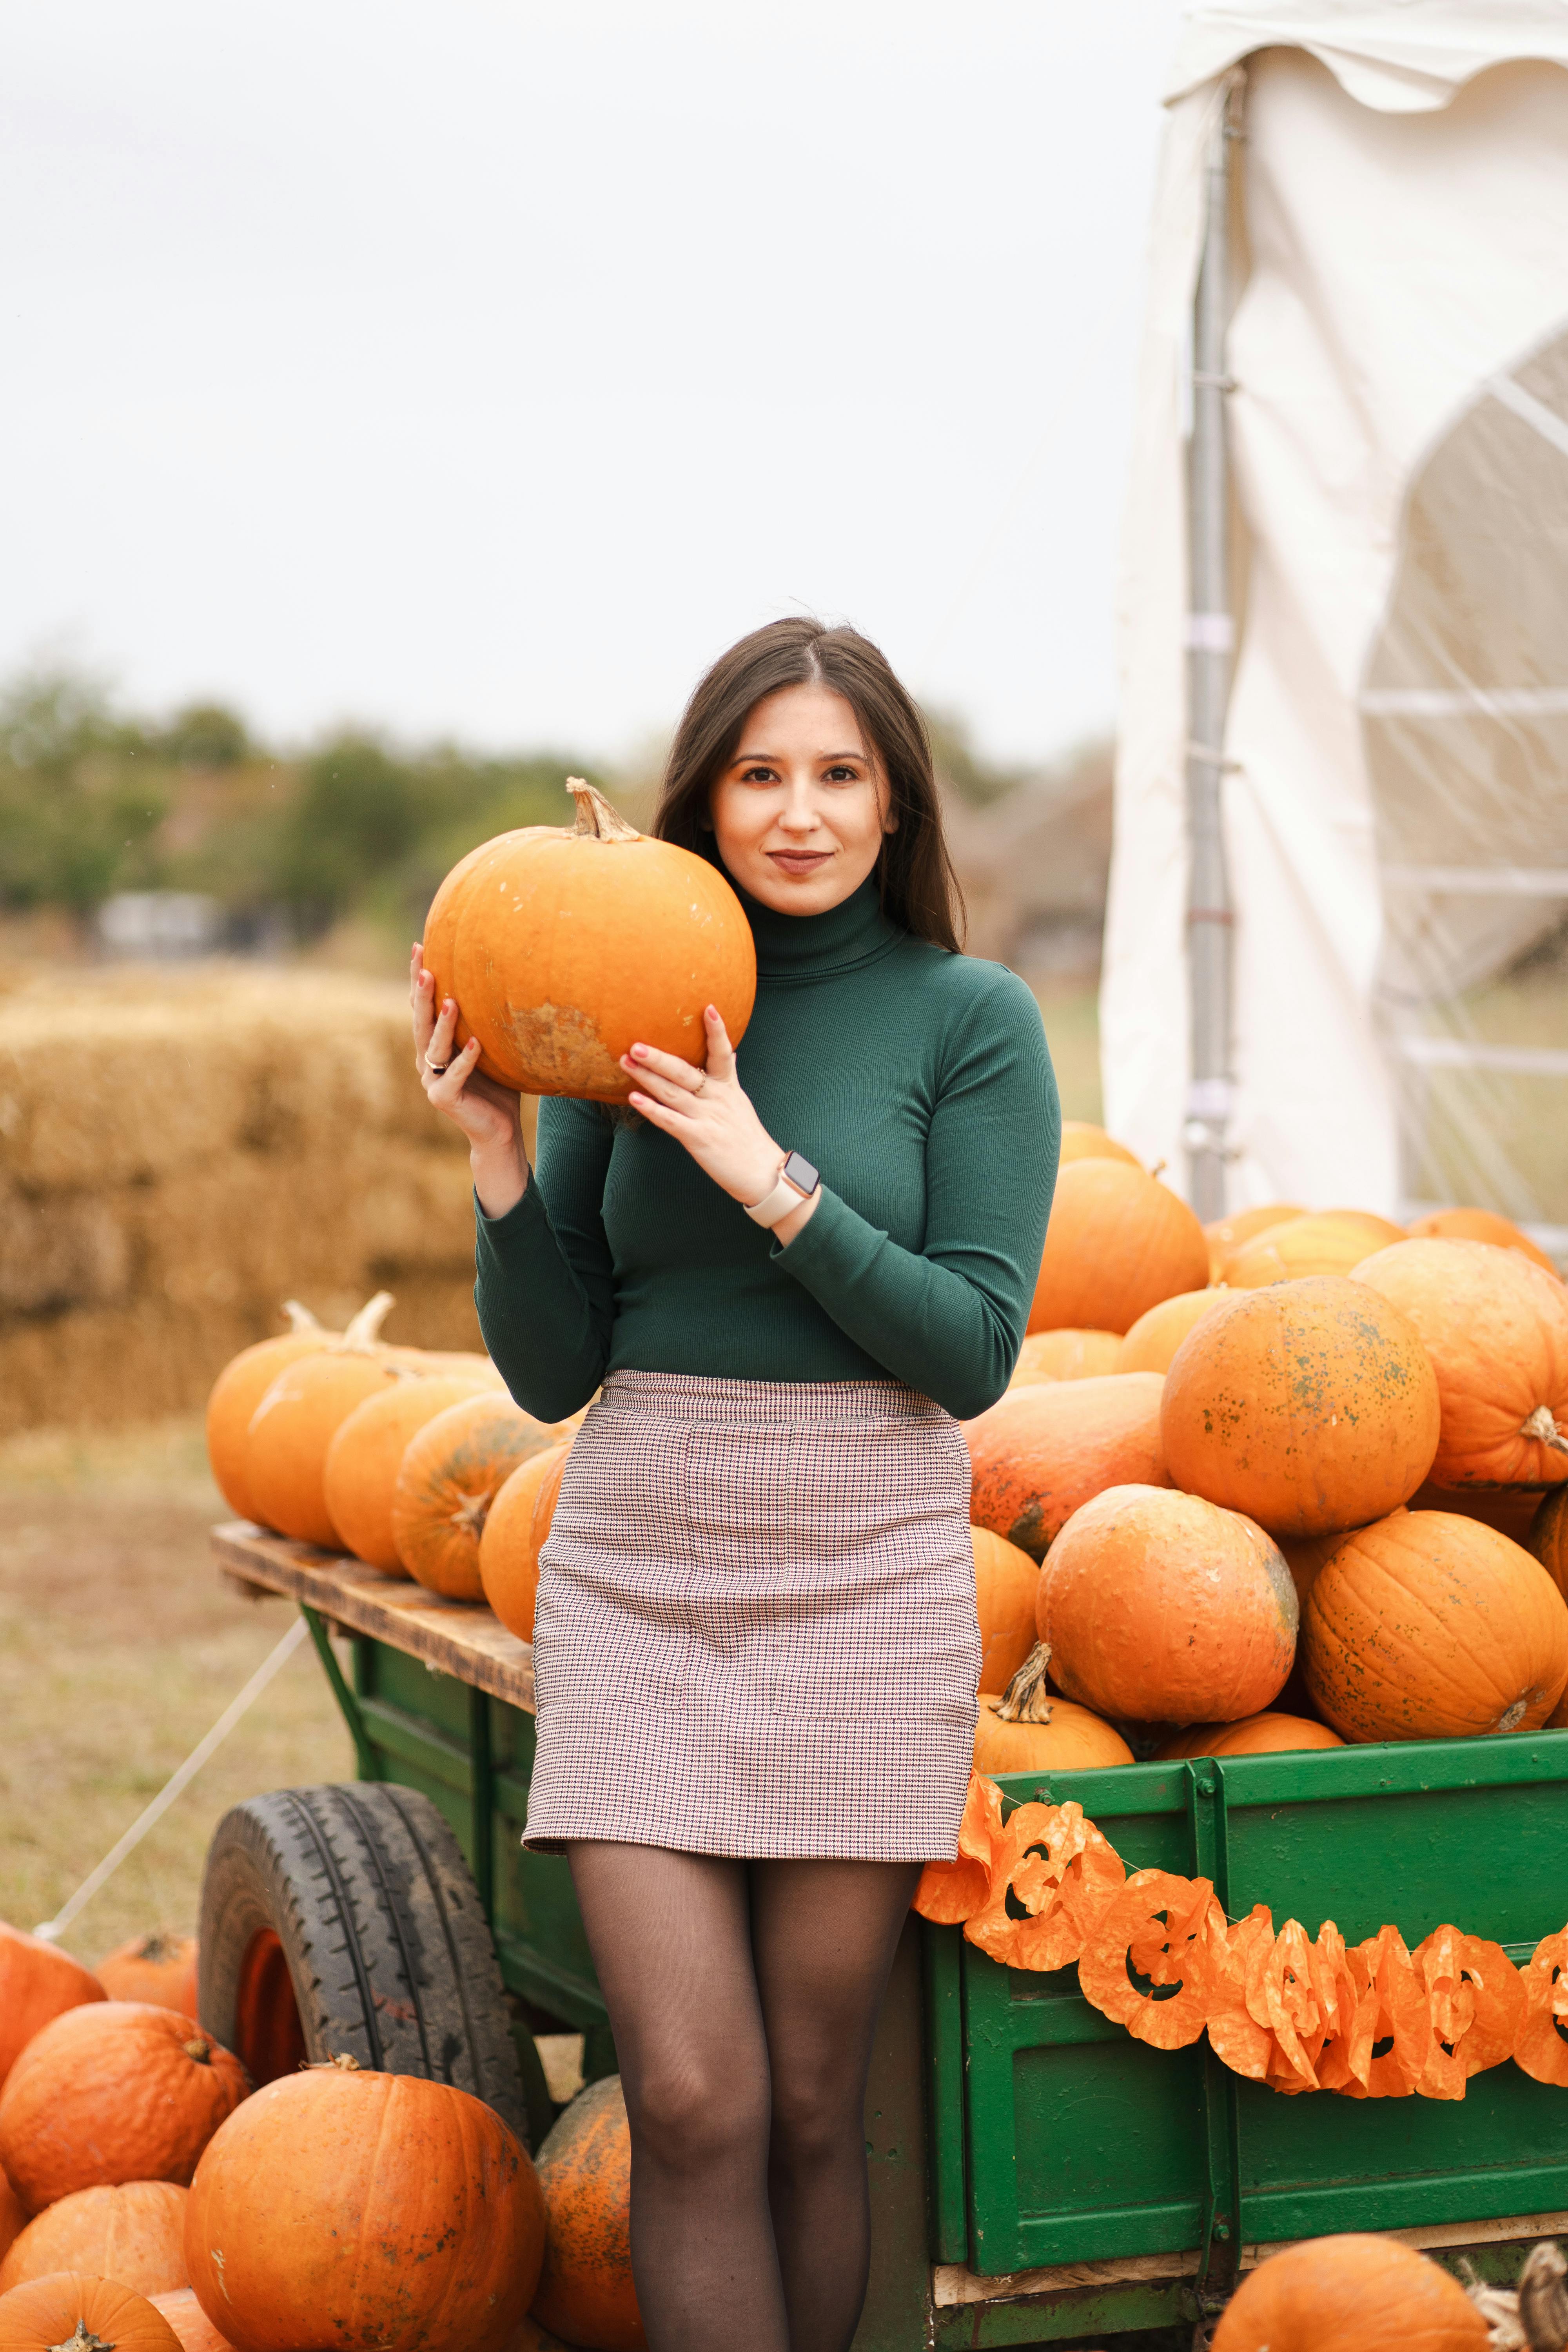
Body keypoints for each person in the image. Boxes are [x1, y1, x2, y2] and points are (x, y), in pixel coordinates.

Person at [410, 617, 1058, 2352]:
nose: (799, 812)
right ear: (705, 799)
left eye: (839, 774)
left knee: (809, 2102)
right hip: (641, 1568)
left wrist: (774, 1182)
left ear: (895, 802)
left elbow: (975, 1352)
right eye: (760, 774)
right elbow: (555, 1369)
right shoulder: (624, 990)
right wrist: (497, 1159)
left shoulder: (968, 1021)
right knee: (693, 2098)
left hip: (865, 1572)